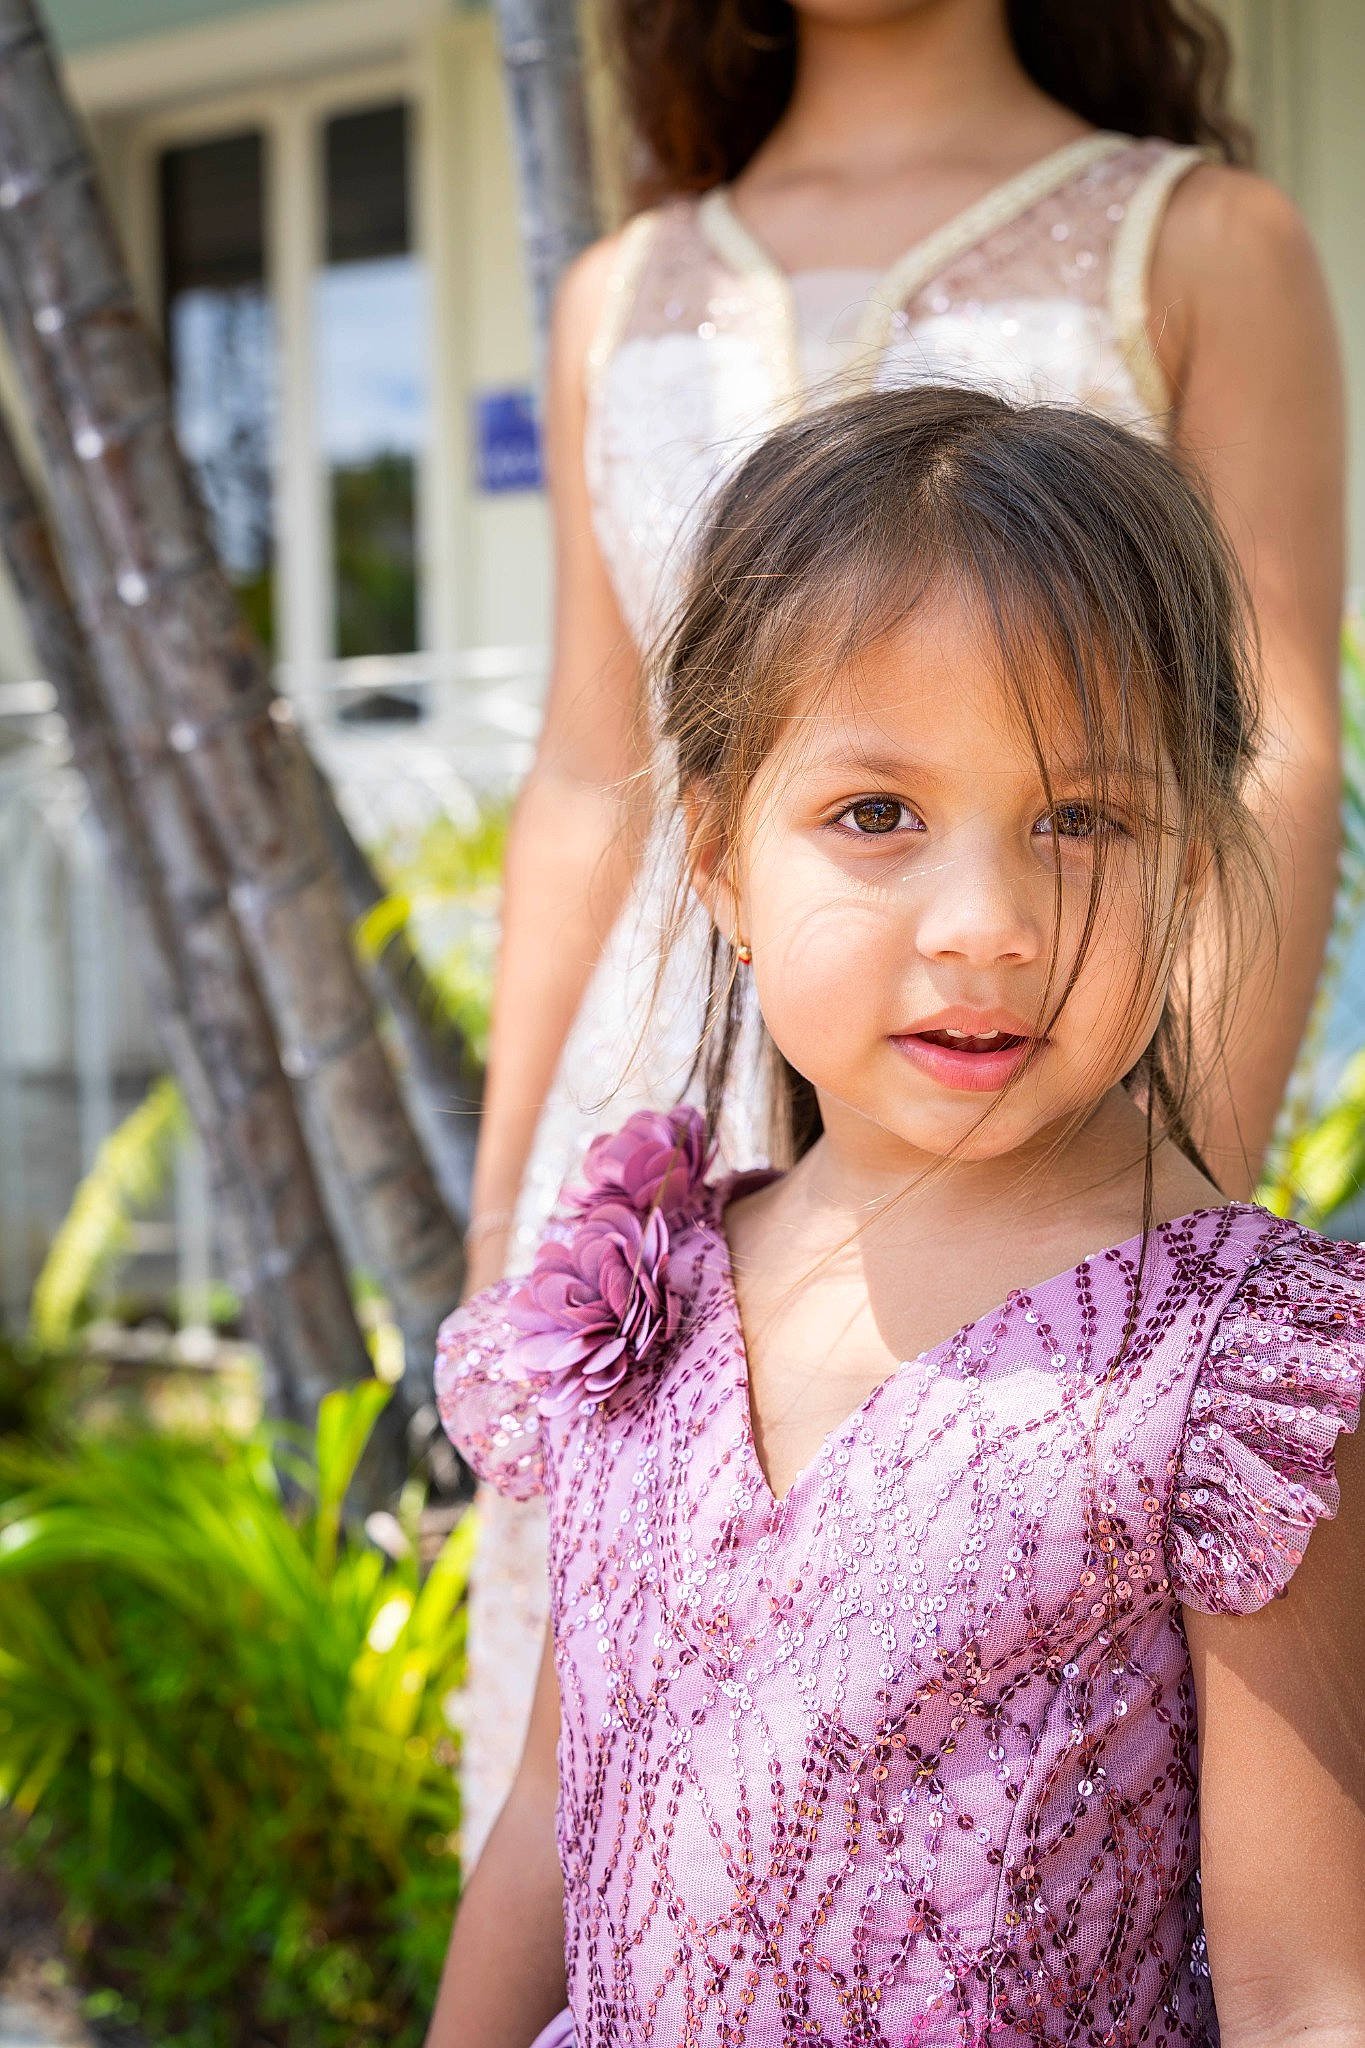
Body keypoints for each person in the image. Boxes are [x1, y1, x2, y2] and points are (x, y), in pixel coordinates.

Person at [459, 0, 1346, 1857]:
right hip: (659, 1113)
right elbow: (581, 776)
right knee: (612, 1811)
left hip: (1059, 1122)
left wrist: (1155, 1246)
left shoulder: (1194, 235)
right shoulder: (619, 288)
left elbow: (1260, 751)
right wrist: (506, 1232)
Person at [429, 389, 1365, 2048]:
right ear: (714, 852)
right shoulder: (636, 1300)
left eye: (1080, 821)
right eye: (876, 817)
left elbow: (1310, 1994)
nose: (987, 926)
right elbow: (540, 1856)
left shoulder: (1231, 1377)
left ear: (1197, 860)